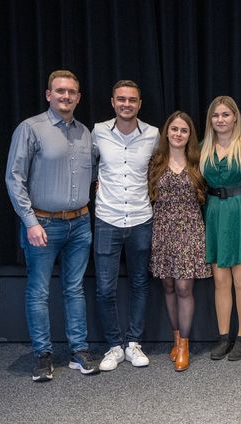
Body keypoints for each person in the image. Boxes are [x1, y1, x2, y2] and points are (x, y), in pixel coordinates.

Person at [5, 69, 100, 381]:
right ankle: (43, 355)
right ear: (49, 94)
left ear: (78, 97)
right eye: (60, 91)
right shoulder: (30, 129)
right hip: (42, 224)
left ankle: (79, 351)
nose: (66, 96)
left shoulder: (85, 133)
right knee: (39, 291)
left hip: (80, 224)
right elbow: (14, 178)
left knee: (74, 289)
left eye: (72, 92)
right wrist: (30, 222)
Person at [92, 80, 159, 371]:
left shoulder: (154, 135)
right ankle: (113, 346)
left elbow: (160, 169)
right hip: (106, 219)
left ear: (140, 104)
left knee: (140, 284)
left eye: (132, 99)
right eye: (121, 99)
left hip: (141, 220)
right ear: (112, 102)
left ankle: (133, 343)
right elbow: (86, 165)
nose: (126, 104)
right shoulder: (97, 132)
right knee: (105, 289)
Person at [200, 95, 241, 361]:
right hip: (214, 213)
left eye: (226, 114)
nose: (221, 120)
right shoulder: (202, 147)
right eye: (216, 115)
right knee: (220, 281)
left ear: (235, 117)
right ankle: (223, 336)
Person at [149, 111, 212, 371]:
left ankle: (184, 344)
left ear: (190, 136)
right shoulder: (155, 161)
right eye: (174, 129)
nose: (178, 134)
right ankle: (175, 339)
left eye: (183, 130)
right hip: (163, 231)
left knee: (184, 287)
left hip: (190, 231)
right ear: (167, 132)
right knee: (169, 287)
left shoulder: (199, 162)